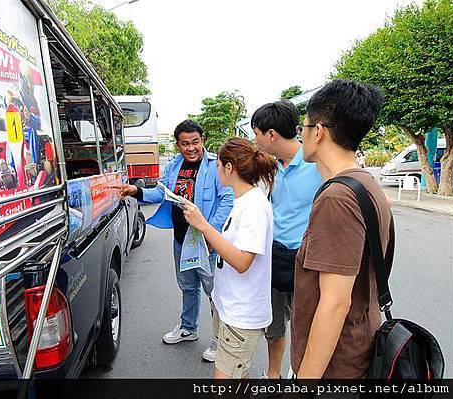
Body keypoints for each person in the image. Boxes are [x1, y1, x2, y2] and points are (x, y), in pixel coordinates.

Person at [291, 79, 391, 378]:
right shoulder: (367, 183)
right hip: (357, 345)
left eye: (303, 128)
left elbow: (334, 304)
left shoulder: (337, 197)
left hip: (335, 367)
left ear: (318, 131)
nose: (302, 136)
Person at [119, 120, 234, 362]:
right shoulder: (173, 166)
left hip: (206, 242)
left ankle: (219, 339)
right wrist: (136, 192)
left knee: (215, 292)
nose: (191, 148)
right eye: (185, 143)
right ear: (178, 144)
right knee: (188, 286)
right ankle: (188, 328)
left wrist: (212, 232)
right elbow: (161, 193)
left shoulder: (215, 166)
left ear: (202, 140)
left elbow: (226, 199)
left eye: (195, 142)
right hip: (182, 239)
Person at [182, 137, 277, 378]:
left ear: (229, 168)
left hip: (242, 313)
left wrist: (203, 226)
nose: (215, 171)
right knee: (239, 375)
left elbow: (243, 262)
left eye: (217, 165)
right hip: (229, 305)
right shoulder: (243, 200)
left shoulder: (254, 206)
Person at [251, 101, 322, 379]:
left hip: (308, 262)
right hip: (275, 258)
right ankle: (273, 376)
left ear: (271, 134)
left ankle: (300, 375)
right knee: (275, 325)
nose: (255, 140)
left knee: (307, 326)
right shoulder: (269, 167)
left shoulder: (316, 163)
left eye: (257, 133)